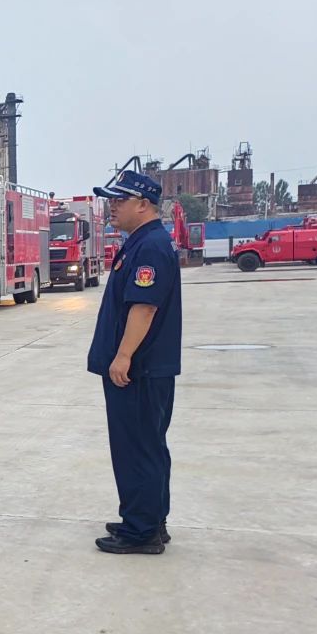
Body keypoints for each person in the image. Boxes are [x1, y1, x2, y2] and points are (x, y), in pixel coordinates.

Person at [87, 170, 182, 555]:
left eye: (119, 199)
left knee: (137, 448)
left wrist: (123, 356)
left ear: (143, 205)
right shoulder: (143, 242)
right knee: (147, 446)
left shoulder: (150, 247)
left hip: (139, 370)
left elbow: (143, 308)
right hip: (144, 370)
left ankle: (141, 531)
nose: (112, 206)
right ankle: (149, 519)